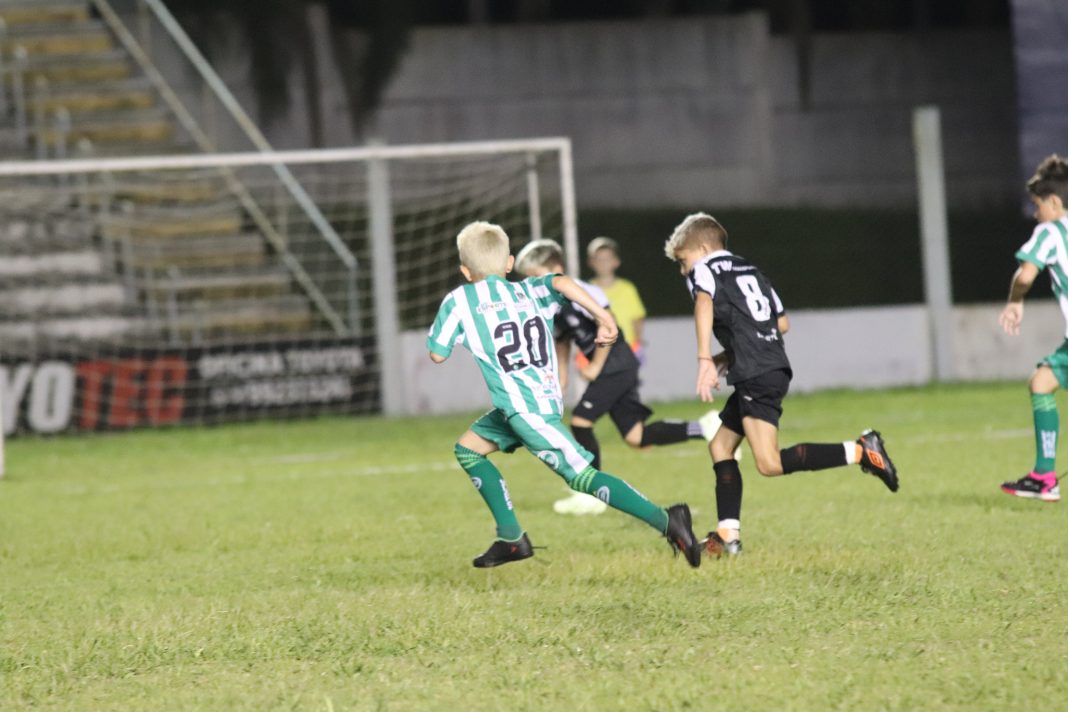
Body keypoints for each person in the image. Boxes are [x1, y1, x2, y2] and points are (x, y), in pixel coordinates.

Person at [427, 221, 702, 568]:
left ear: (465, 271)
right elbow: (562, 282)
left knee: (582, 477)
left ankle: (668, 521)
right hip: (534, 401)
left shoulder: (459, 300)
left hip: (526, 411)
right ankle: (511, 538)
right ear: (509, 263)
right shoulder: (530, 289)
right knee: (468, 449)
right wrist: (604, 318)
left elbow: (437, 354)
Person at [664, 212, 899, 557]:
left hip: (756, 373)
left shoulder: (705, 269)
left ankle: (863, 450)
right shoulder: (751, 270)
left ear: (701, 249)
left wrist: (704, 359)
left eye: (683, 261)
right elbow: (782, 323)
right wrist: (732, 354)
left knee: (769, 463)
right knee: (720, 447)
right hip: (768, 365)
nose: (683, 271)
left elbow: (703, 303)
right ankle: (727, 535)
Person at [515, 239, 720, 515]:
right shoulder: (551, 301)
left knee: (581, 421)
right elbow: (562, 340)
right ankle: (705, 427)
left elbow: (608, 324)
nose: (531, 283)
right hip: (615, 366)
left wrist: (596, 366)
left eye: (535, 275)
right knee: (636, 436)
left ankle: (591, 495)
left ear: (556, 268)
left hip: (616, 363)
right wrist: (561, 378)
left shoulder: (580, 291)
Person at [998, 154, 1068, 503]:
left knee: (1041, 384)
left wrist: (1015, 301)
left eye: (1037, 206)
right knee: (1042, 381)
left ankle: (1044, 478)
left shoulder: (1051, 232)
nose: (1036, 214)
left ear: (1053, 202)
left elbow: (1025, 275)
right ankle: (1043, 476)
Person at [588, 237, 647, 363]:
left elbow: (638, 318)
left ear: (616, 261)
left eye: (607, 259)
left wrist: (637, 343)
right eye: (599, 259)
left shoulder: (627, 288)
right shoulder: (585, 290)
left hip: (626, 349)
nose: (603, 263)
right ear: (591, 262)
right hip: (596, 351)